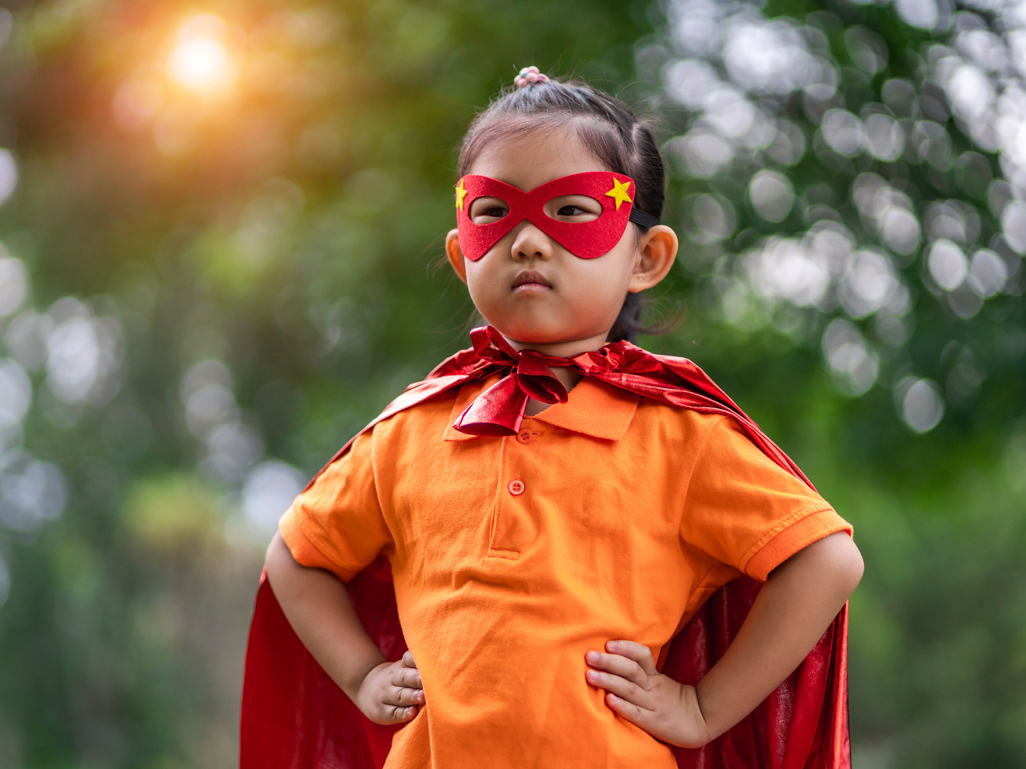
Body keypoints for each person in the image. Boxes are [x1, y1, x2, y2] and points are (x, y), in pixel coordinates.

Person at [242, 66, 864, 769]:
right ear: (460, 253)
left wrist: (701, 707)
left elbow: (824, 558)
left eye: (571, 210)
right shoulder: (409, 432)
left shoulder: (680, 434)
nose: (529, 241)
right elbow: (296, 557)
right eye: (493, 212)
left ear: (646, 257)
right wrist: (362, 672)